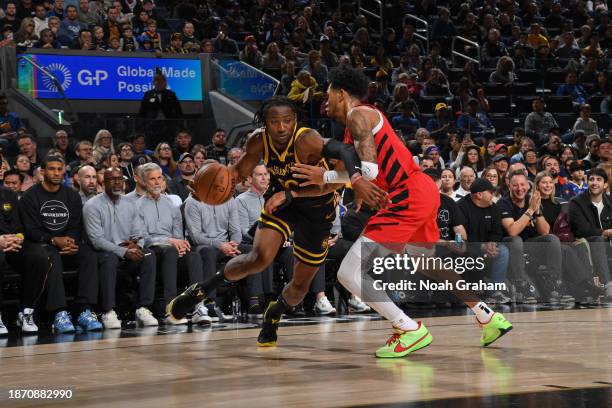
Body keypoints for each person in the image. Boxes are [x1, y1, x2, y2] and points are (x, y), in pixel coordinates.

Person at [292, 66, 512, 357]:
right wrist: (323, 179)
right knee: (426, 261)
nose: (325, 100)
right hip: (419, 190)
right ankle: (487, 315)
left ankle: (407, 328)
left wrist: (338, 179)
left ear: (341, 93)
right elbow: (359, 175)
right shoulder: (355, 126)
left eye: (328, 93)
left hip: (405, 195)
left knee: (349, 272)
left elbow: (368, 171)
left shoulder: (358, 115)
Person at [167, 96, 385, 340]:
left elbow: (343, 154)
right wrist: (209, 188)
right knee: (258, 258)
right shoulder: (258, 140)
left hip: (317, 209)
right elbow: (237, 174)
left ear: (295, 121)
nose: (281, 128)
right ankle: (201, 290)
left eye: (287, 121)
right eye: (274, 122)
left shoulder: (307, 139)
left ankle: (275, 312)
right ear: (265, 123)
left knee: (301, 286)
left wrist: (355, 180)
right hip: (281, 204)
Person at [18, 155, 103, 333]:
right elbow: (31, 230)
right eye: (51, 169)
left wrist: (70, 241)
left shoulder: (71, 196)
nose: (56, 173)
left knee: (89, 254)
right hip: (41, 245)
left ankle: (85, 310)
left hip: (67, 244)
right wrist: (53, 240)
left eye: (59, 169)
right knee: (52, 257)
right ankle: (59, 313)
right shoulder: (30, 196)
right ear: (42, 171)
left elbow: (76, 225)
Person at [83, 167, 158, 329]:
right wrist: (123, 251)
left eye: (120, 179)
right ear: (103, 183)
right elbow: (97, 240)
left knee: (149, 255)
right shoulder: (92, 206)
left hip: (128, 251)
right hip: (105, 254)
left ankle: (143, 308)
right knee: (109, 258)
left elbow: (139, 232)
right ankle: (108, 311)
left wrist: (137, 244)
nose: (117, 183)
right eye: (112, 179)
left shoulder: (130, 203)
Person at [137, 163, 203, 324]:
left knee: (194, 256)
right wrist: (169, 242)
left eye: (159, 178)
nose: (157, 182)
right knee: (170, 251)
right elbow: (143, 238)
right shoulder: (137, 206)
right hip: (153, 253)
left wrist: (180, 245)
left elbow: (178, 234)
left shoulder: (172, 205)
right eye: (152, 179)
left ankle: (198, 307)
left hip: (172, 251)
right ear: (144, 182)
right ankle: (171, 308)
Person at [0, 186, 50, 334]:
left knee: (38, 256)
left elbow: (19, 226)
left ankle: (26, 312)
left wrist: (17, 239)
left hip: (11, 244)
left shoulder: (8, 193)